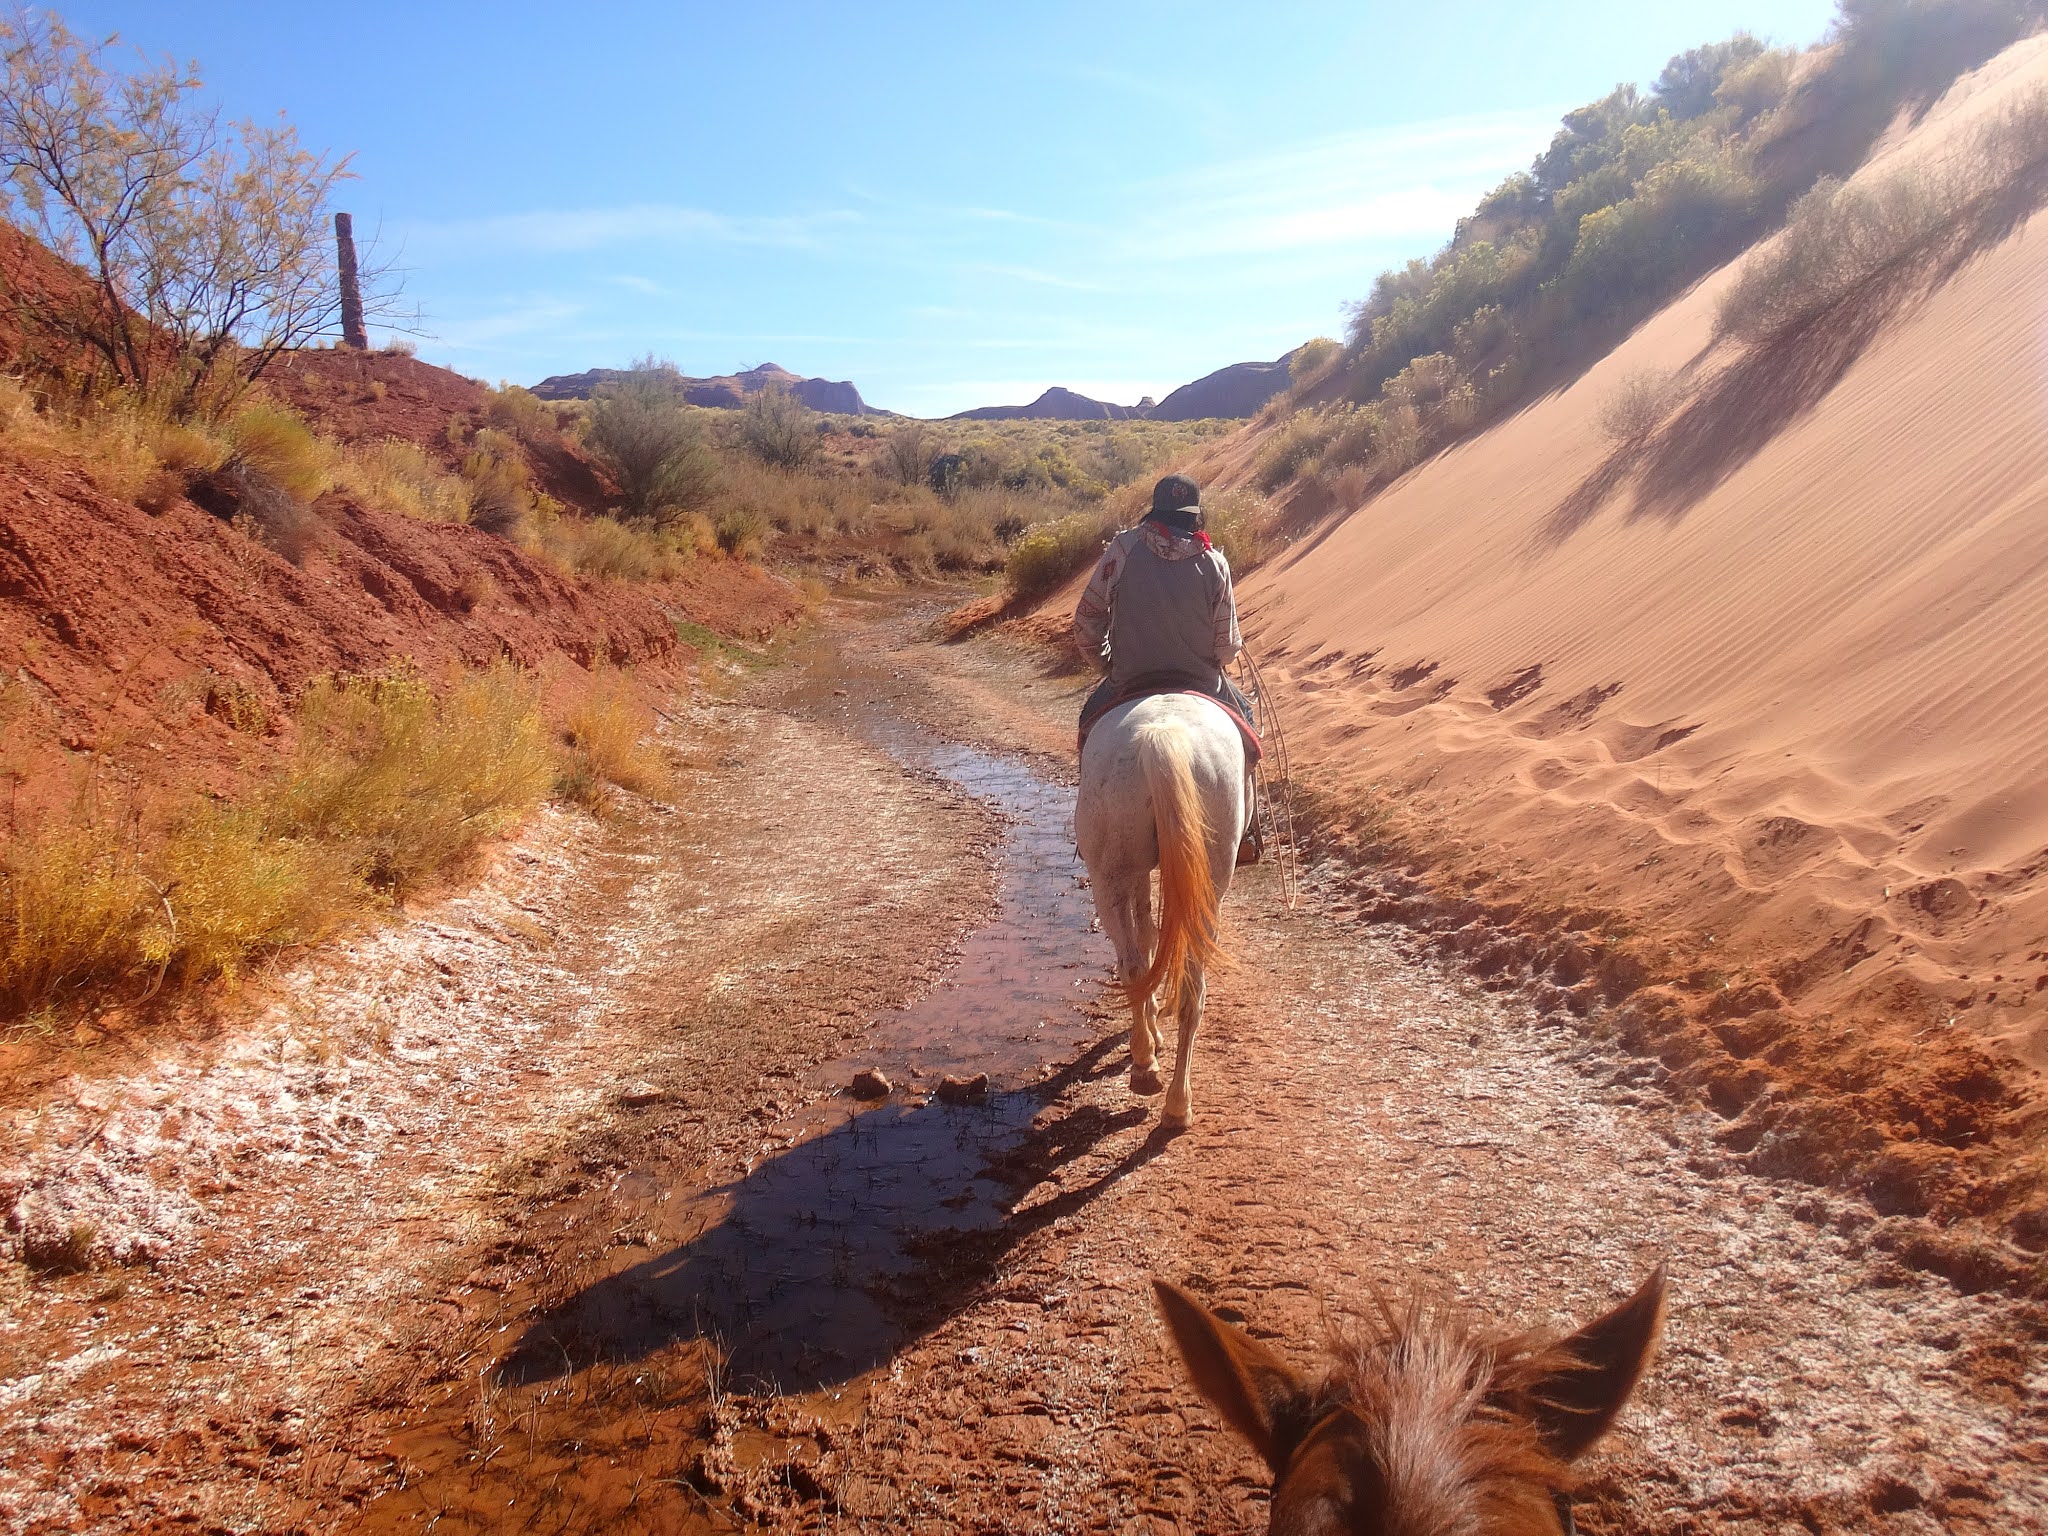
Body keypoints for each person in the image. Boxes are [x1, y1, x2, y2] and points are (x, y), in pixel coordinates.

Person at [1074, 472, 1261, 863]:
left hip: (1129, 679)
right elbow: (1227, 647)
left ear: (1154, 511)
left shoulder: (1122, 549)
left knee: (1089, 723)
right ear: (1194, 516)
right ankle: (1246, 835)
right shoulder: (1215, 562)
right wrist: (1220, 655)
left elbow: (1088, 619)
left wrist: (1104, 662)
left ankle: (1092, 825)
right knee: (1246, 724)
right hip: (1202, 683)